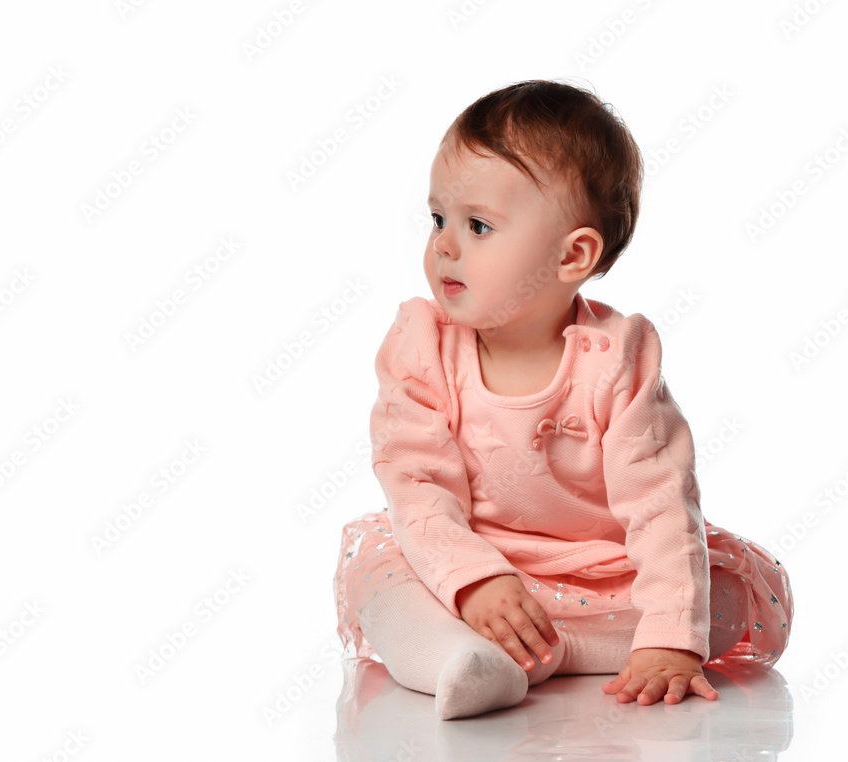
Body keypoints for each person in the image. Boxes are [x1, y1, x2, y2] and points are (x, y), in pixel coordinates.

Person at [332, 79, 793, 720]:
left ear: (572, 254)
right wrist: (474, 581)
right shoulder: (423, 347)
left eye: (478, 225)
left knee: (712, 602)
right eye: (438, 218)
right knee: (378, 577)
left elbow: (660, 506)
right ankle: (458, 658)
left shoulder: (617, 362)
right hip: (468, 565)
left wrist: (669, 639)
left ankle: (564, 647)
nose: (443, 245)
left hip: (603, 575)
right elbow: (416, 485)